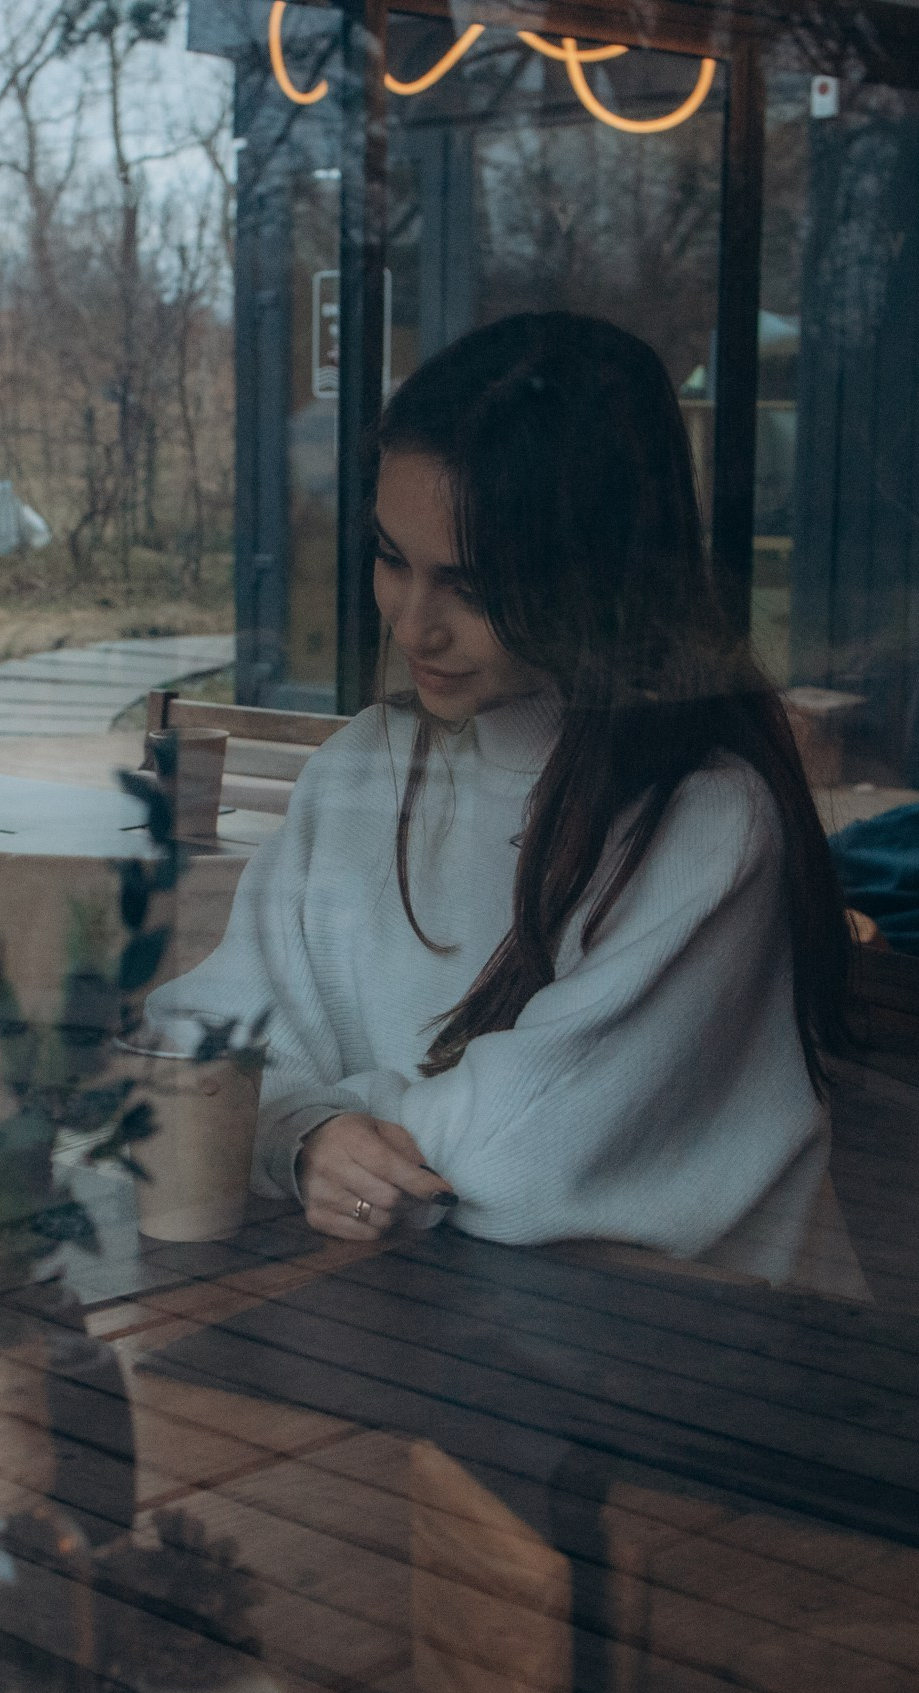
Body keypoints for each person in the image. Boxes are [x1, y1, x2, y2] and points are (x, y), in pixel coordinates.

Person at [149, 312, 856, 1285]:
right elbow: (194, 1048)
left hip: (690, 1371)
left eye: (472, 585)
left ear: (597, 577)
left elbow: (515, 1160)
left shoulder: (703, 820)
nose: (411, 620)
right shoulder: (366, 765)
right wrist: (308, 1138)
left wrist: (310, 1117)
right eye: (392, 556)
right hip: (423, 1335)